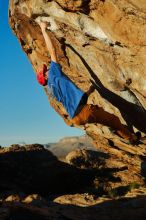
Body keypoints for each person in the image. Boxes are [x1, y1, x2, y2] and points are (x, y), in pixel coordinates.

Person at [36, 21, 140, 144]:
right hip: (84, 112)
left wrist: (89, 91)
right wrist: (43, 29)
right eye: (45, 71)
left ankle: (120, 132)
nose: (47, 68)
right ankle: (131, 139)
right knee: (113, 119)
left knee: (107, 119)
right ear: (46, 76)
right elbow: (52, 51)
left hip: (76, 117)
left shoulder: (53, 89)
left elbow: (73, 100)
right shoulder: (53, 75)